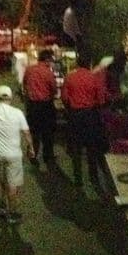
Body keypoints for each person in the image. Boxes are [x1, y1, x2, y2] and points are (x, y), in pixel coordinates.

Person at [0, 70, 32, 220]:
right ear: (11, 98)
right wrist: (31, 147)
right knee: (13, 184)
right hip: (13, 154)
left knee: (0, 179)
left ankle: (2, 206)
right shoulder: (18, 113)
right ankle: (12, 212)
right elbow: (26, 133)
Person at [61, 54, 106, 191]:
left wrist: (71, 107)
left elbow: (64, 97)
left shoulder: (70, 77)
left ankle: (78, 178)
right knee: (91, 147)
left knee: (76, 148)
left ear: (78, 63)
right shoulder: (94, 78)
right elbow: (101, 99)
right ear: (90, 63)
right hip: (90, 115)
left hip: (75, 115)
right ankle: (93, 176)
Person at [22, 49, 58, 167]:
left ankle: (33, 154)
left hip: (32, 105)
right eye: (51, 60)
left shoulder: (30, 69)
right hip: (46, 105)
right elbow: (53, 89)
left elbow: (24, 83)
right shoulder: (48, 73)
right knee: (47, 133)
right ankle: (48, 157)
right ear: (47, 60)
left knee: (34, 133)